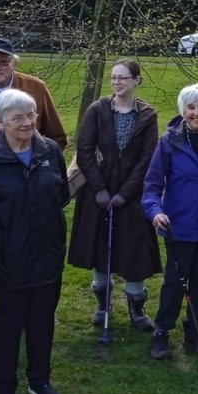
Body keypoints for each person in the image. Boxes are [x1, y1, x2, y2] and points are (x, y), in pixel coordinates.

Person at [0, 89, 69, 394]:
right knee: (7, 329)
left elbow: (61, 196)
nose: (26, 123)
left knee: (42, 324)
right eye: (17, 118)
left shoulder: (50, 152)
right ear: (0, 122)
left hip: (47, 258)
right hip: (5, 263)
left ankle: (39, 381)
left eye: (31, 115)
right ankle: (4, 389)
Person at [67, 59, 161, 332]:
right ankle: (102, 305)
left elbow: (147, 158)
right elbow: (84, 151)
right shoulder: (97, 110)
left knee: (134, 250)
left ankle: (137, 310)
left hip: (132, 194)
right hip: (99, 192)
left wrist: (125, 193)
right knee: (99, 248)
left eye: (122, 78)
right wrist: (100, 190)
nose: (117, 82)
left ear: (136, 81)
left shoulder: (147, 115)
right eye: (113, 78)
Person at [142, 83, 198, 359]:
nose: (197, 113)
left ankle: (194, 332)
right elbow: (151, 186)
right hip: (178, 227)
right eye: (191, 107)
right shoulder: (169, 142)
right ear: (183, 110)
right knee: (174, 282)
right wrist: (155, 211)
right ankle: (162, 331)